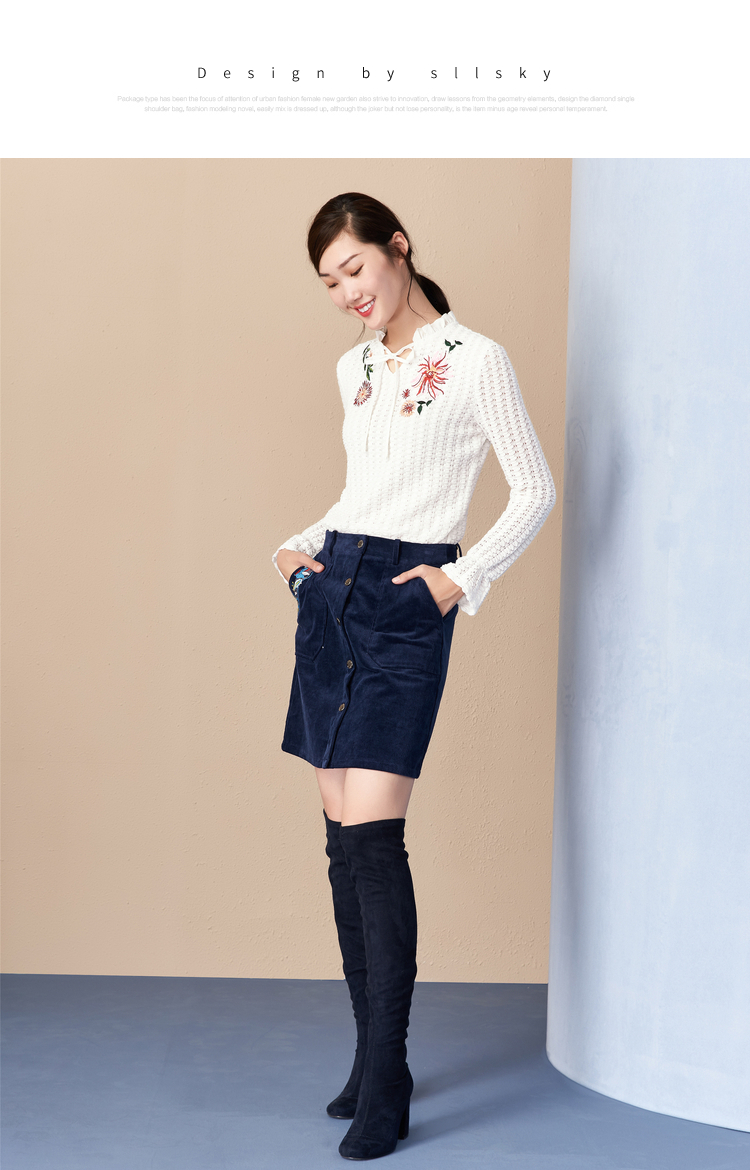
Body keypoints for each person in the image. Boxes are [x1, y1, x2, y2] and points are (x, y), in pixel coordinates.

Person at [272, 192, 556, 1160]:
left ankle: (388, 1073)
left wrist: (458, 578)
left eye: (355, 268)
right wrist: (298, 548)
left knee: (374, 843)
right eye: (329, 282)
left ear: (397, 247)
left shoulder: (476, 360)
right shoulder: (352, 367)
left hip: (404, 603)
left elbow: (534, 488)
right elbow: (364, 494)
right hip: (334, 592)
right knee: (339, 846)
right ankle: (367, 1057)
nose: (347, 292)